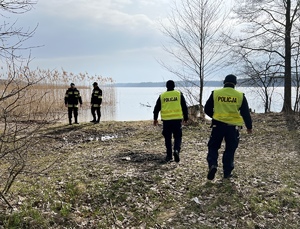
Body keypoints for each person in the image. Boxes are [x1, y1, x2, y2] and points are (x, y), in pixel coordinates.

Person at [204, 74, 252, 180]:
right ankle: (227, 172)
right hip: (232, 127)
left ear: (224, 82)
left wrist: (215, 116)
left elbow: (206, 108)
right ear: (235, 83)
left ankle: (213, 164)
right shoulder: (240, 95)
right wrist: (249, 126)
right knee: (230, 149)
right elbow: (245, 113)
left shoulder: (216, 93)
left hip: (217, 126)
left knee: (213, 147)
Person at [153, 80, 188, 163]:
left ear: (166, 86)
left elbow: (156, 108)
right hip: (177, 120)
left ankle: (169, 156)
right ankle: (176, 150)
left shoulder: (162, 96)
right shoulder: (179, 94)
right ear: (174, 86)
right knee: (178, 136)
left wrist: (155, 119)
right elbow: (184, 107)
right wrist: (186, 117)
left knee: (168, 138)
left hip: (166, 121)